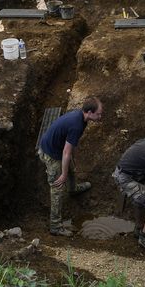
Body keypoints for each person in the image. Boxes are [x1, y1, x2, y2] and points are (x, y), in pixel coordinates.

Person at [38, 96, 103, 236]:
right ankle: (55, 226)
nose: (100, 116)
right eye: (98, 113)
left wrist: (69, 164)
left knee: (70, 167)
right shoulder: (77, 125)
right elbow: (66, 152)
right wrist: (63, 174)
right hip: (50, 154)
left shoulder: (81, 117)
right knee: (57, 187)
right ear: (90, 112)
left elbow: (69, 147)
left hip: (57, 148)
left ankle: (73, 189)